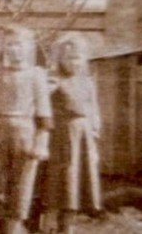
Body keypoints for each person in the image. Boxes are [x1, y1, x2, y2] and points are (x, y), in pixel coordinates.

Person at [0, 25, 53, 234]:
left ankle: (14, 228)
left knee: (22, 185)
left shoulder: (36, 75)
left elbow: (44, 111)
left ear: (29, 48)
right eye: (9, 45)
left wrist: (41, 142)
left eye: (19, 45)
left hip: (25, 132)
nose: (14, 50)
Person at [45, 33, 102, 234]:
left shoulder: (87, 82)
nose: (74, 62)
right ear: (60, 59)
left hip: (83, 138)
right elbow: (42, 105)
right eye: (69, 58)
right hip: (60, 138)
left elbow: (93, 111)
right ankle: (50, 224)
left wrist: (94, 143)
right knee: (60, 184)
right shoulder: (54, 80)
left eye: (78, 57)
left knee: (76, 185)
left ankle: (68, 227)